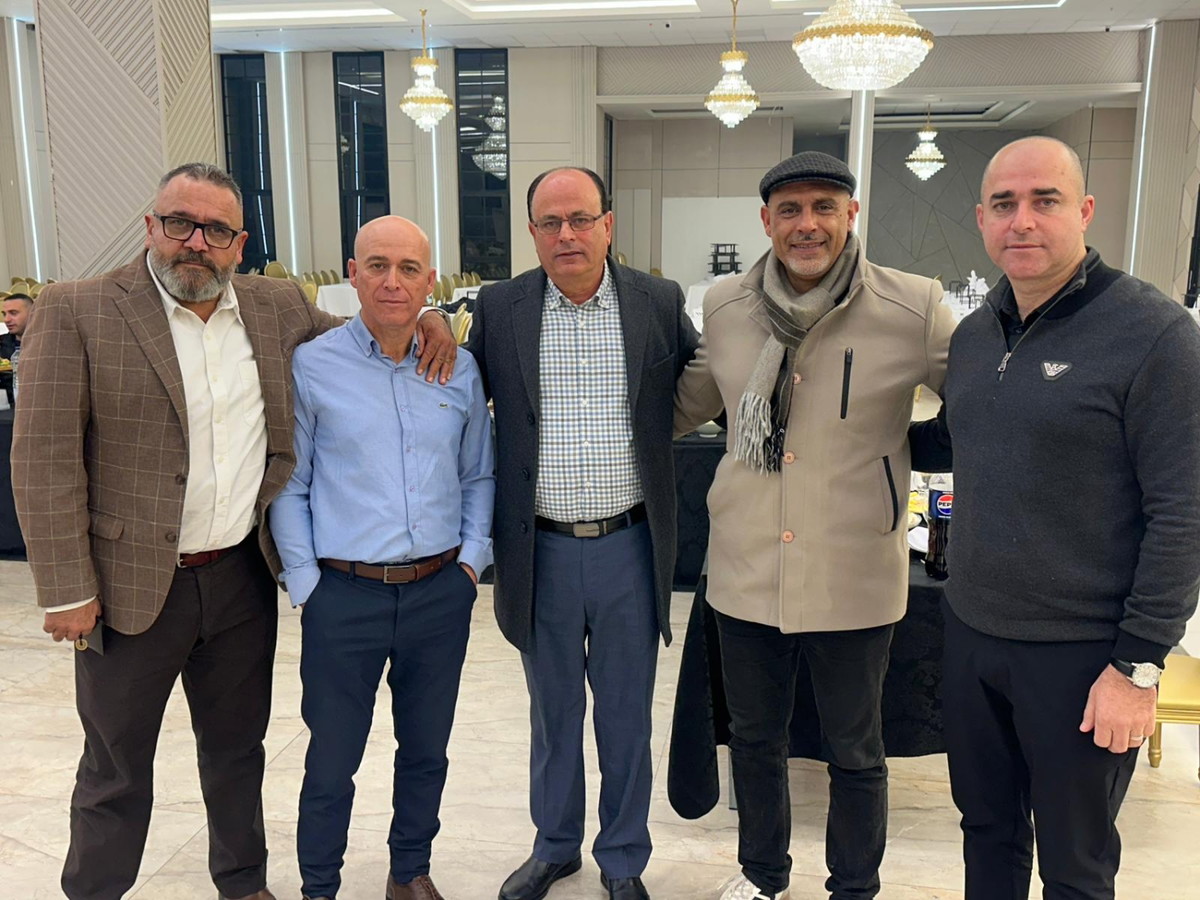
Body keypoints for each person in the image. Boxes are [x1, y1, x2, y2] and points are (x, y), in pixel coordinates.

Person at [10, 163, 457, 900]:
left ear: (239, 244)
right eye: (180, 223)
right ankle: (94, 891)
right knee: (116, 764)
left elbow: (373, 332)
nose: (197, 241)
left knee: (237, 750)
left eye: (217, 230)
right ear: (151, 226)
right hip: (128, 587)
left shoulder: (276, 306)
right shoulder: (78, 308)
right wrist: (66, 589)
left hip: (241, 576)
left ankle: (244, 884)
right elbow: (43, 458)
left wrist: (430, 316)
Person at [673, 151, 956, 900]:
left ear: (851, 215)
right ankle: (762, 877)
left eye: (824, 207)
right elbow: (687, 402)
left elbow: (983, 399)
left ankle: (853, 887)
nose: (808, 225)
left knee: (856, 749)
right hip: (747, 567)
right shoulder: (726, 307)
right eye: (790, 210)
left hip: (854, 570)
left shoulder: (913, 306)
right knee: (755, 741)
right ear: (766, 221)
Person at [929, 135, 1200, 899]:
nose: (1022, 220)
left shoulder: (1155, 335)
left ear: (1084, 211)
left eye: (1044, 200)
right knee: (987, 833)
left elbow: (1183, 514)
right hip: (974, 635)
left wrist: (1137, 668)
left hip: (1083, 657)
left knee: (1075, 867)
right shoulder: (975, 336)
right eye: (1004, 204)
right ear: (982, 220)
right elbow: (953, 440)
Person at [466, 167, 699, 900]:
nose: (566, 234)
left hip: (630, 545)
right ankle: (555, 846)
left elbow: (706, 378)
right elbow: (464, 396)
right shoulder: (499, 307)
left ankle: (623, 858)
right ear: (532, 231)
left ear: (608, 225)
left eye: (580, 219)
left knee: (626, 716)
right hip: (539, 548)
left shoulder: (658, 301)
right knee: (553, 712)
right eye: (550, 222)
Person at [269, 215, 494, 900]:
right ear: (352, 273)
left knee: (426, 750)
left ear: (431, 282)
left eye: (408, 268)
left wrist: (470, 564)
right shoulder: (313, 364)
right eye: (377, 266)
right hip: (344, 596)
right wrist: (307, 585)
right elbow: (291, 484)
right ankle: (319, 886)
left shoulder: (459, 368)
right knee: (332, 759)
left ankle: (409, 872)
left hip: (439, 592)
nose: (392, 282)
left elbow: (478, 474)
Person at [1, 292, 33, 405]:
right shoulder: (1, 344)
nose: (6, 319)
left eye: (13, 313)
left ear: (32, 313)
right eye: (4, 314)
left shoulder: (47, 344)